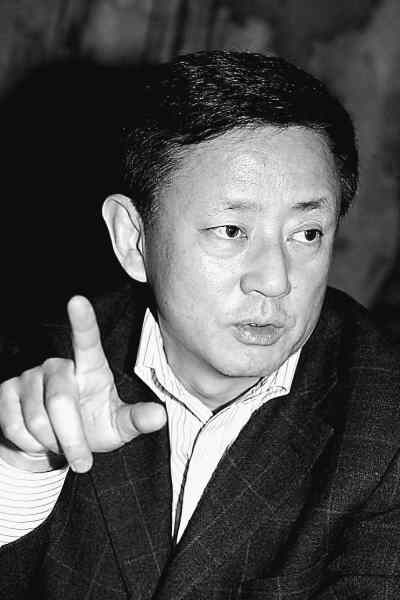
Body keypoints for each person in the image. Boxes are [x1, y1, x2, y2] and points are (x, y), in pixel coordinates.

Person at [0, 50, 399, 599]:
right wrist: (23, 465)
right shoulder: (32, 367)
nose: (275, 280)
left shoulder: (383, 423)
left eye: (307, 234)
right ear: (133, 239)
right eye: (231, 231)